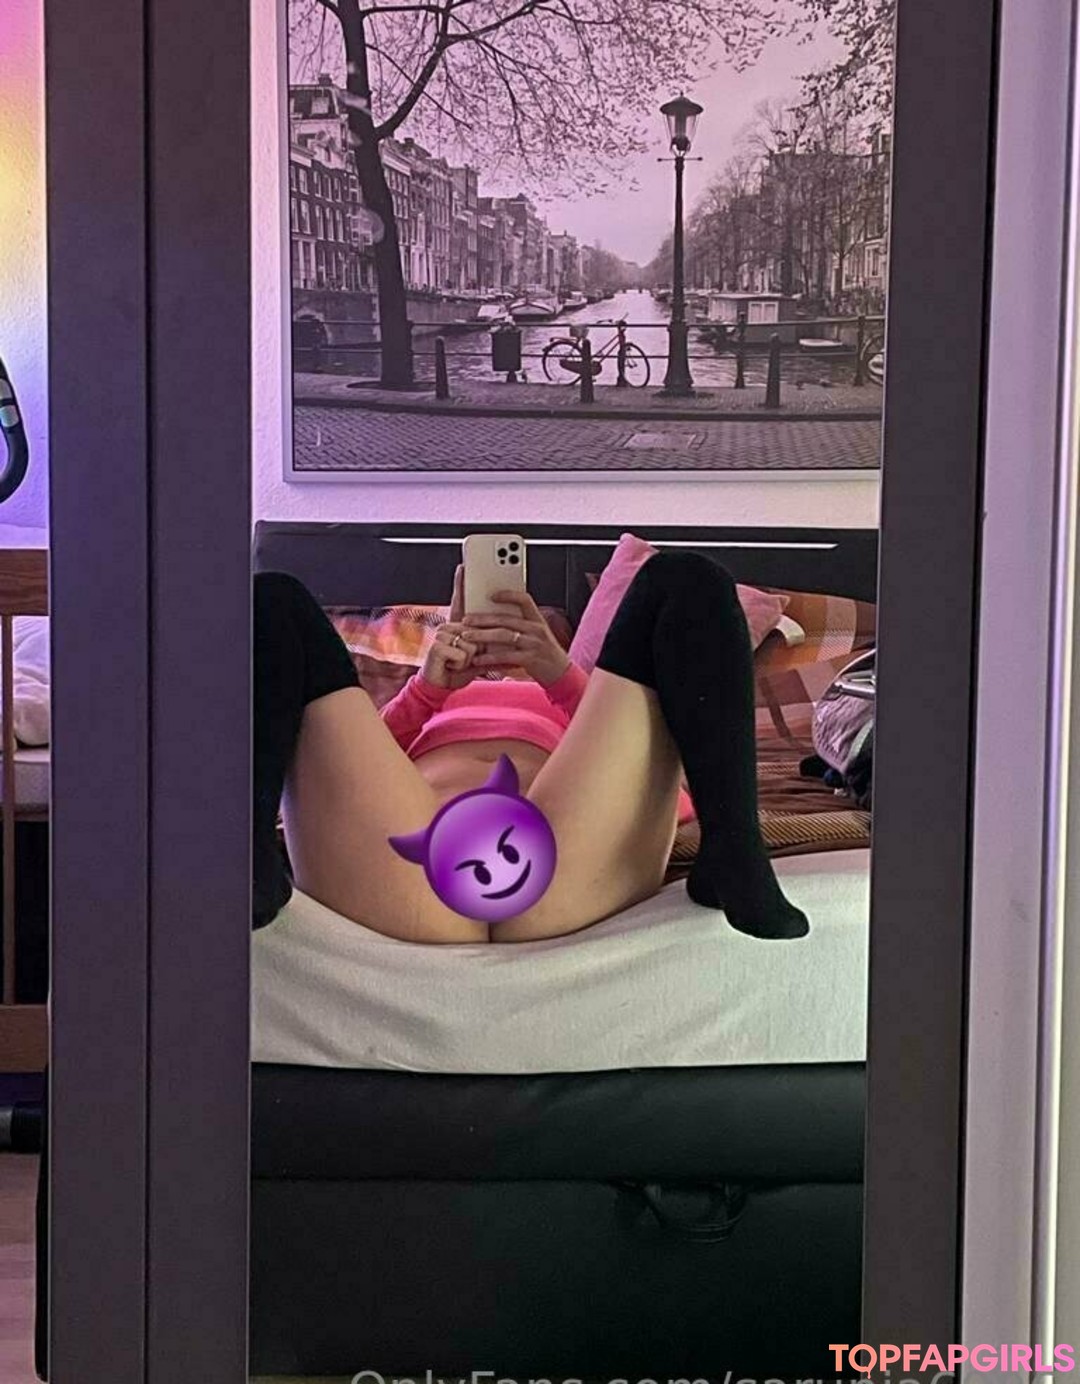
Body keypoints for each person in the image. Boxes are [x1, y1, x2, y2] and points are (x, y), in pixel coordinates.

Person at [253, 551, 809, 945]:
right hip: (409, 855)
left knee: (684, 577)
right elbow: (348, 767)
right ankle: (244, 863)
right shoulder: (423, 698)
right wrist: (427, 689)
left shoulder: (587, 704)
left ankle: (732, 856)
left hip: (563, 853)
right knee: (272, 598)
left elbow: (670, 789)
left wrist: (559, 674)